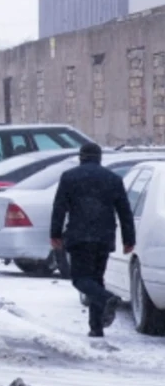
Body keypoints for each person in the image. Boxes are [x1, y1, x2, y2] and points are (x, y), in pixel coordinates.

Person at [51, 142, 136, 338]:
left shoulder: (69, 177)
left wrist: (55, 234)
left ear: (81, 157)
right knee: (97, 279)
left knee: (81, 279)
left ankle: (106, 299)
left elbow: (59, 208)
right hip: (104, 237)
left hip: (79, 236)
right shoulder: (113, 179)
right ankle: (96, 328)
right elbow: (124, 211)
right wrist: (128, 238)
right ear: (99, 158)